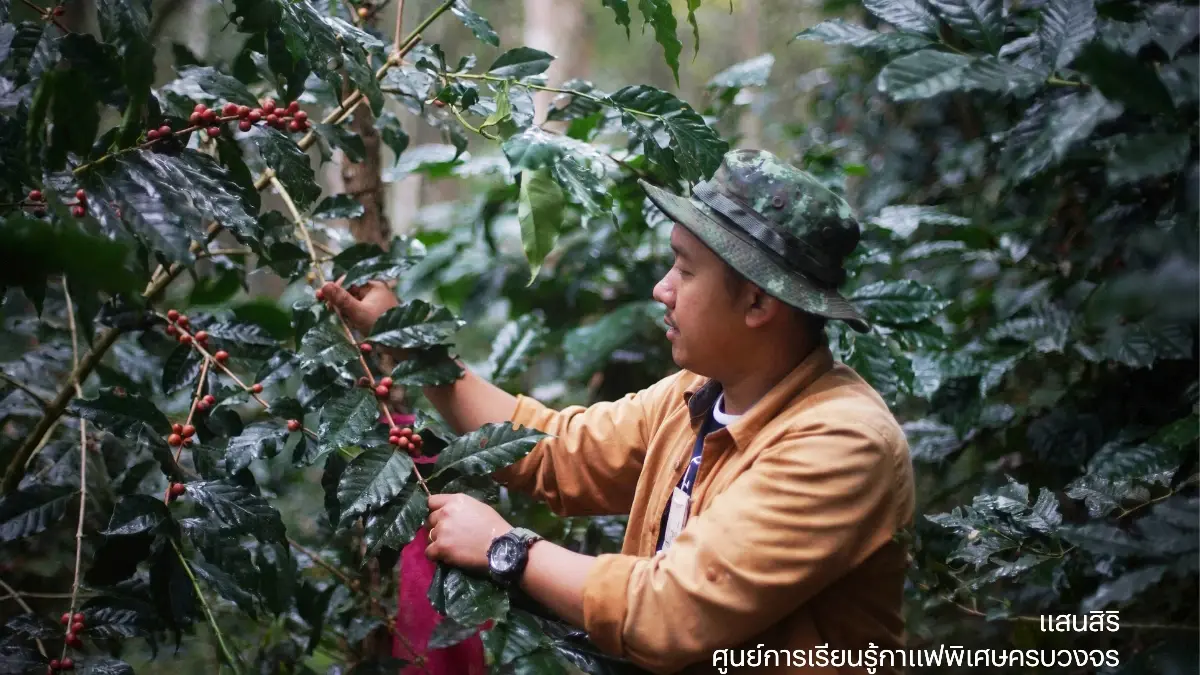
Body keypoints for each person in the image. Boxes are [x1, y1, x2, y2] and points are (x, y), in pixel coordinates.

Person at [320, 149, 915, 674]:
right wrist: (413, 346)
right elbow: (557, 453)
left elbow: (669, 613)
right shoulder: (698, 395)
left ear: (757, 301)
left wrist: (507, 549)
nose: (663, 288)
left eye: (684, 269)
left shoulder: (841, 442)